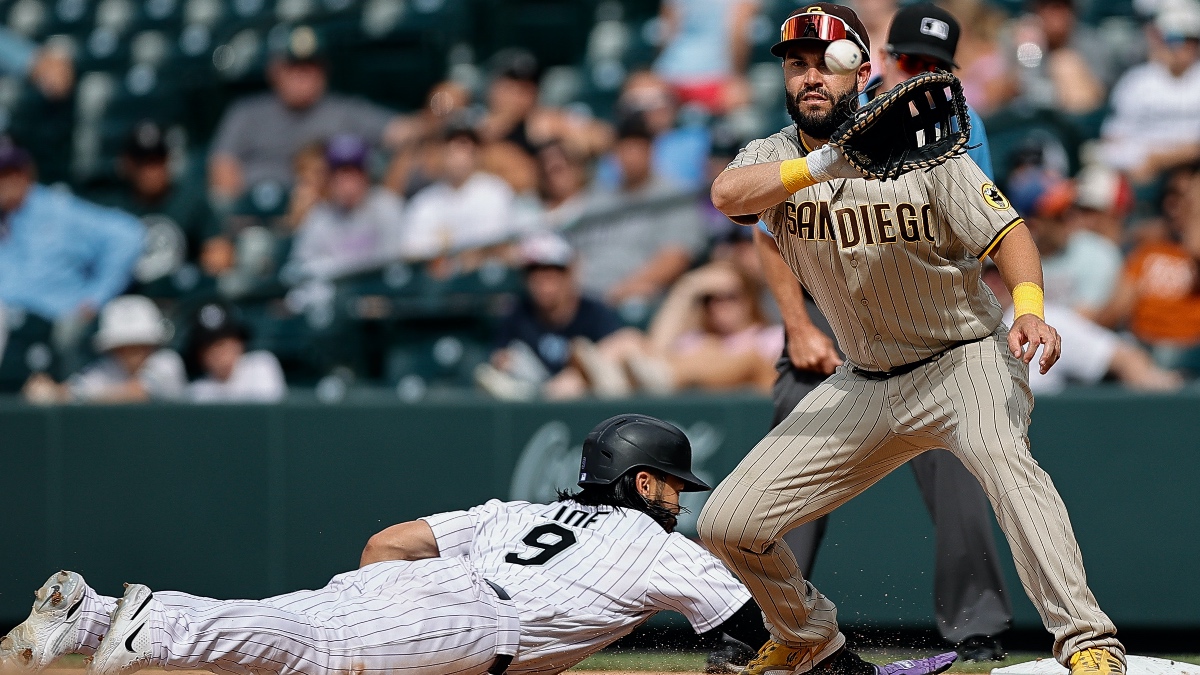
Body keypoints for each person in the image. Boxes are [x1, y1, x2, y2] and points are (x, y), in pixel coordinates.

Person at [699, 5, 1125, 675]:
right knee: (727, 522)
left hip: (964, 359)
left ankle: (1088, 641)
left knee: (1005, 462)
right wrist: (826, 166)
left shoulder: (917, 142)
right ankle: (809, 636)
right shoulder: (773, 157)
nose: (810, 77)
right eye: (796, 64)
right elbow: (728, 194)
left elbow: (1008, 232)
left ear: (862, 72)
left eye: (826, 64)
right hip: (864, 379)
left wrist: (1031, 308)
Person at [0, 413, 962, 675]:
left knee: (291, 631)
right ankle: (143, 620)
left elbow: (386, 542)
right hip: (471, 618)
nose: (680, 498)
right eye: (672, 482)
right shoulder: (652, 542)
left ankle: (85, 616)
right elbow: (754, 629)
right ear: (641, 482)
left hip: (434, 585)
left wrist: (392, 601)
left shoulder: (515, 507)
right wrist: (836, 669)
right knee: (303, 651)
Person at [759, 6, 1015, 660]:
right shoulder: (811, 124)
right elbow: (766, 232)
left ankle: (976, 626)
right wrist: (795, 326)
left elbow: (980, 230)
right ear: (875, 62)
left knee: (964, 445)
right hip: (831, 306)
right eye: (910, 60)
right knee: (791, 437)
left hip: (923, 307)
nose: (920, 73)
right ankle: (774, 627)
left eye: (934, 66)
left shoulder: (954, 121)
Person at [207, 25, 404, 203]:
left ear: (324, 71)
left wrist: (434, 107)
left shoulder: (345, 111)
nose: (302, 76)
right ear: (274, 70)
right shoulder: (246, 113)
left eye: (310, 67)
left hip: (326, 217)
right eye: (294, 67)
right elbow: (222, 167)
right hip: (256, 215)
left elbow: (402, 131)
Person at [0, 137, 144, 370]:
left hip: (52, 326)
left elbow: (129, 236)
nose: (5, 183)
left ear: (26, 173)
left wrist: (96, 297)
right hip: (9, 324)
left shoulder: (56, 210)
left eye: (10, 173)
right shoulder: (4, 217)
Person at [564, 114, 706, 309]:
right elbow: (574, 254)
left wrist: (622, 291)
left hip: (634, 296)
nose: (631, 156)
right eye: (625, 149)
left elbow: (676, 257)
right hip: (585, 296)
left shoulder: (673, 197)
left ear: (651, 151)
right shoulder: (597, 197)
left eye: (637, 148)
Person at [981, 265, 1182, 392]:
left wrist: (1158, 391)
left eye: (1000, 275)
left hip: (1041, 434)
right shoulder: (955, 326)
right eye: (985, 276)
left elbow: (1125, 357)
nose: (993, 284)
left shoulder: (1045, 320)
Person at [475, 233, 627, 401]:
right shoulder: (518, 314)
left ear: (569, 273)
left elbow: (622, 353)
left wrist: (575, 377)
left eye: (553, 270)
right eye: (534, 271)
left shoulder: (594, 312)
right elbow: (500, 358)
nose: (543, 279)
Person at [1093, 165, 1200, 371]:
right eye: (1171, 196)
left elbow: (1195, 246)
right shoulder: (1146, 251)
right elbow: (1114, 311)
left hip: (1191, 349)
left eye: (1186, 199)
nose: (1175, 205)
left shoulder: (1193, 251)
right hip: (1144, 349)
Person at [104, 121, 217, 295]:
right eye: (144, 162)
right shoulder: (111, 208)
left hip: (181, 296)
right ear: (128, 164)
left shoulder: (190, 200)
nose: (153, 170)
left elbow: (218, 252)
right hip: (128, 301)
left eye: (158, 160)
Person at [1100, 0, 1200, 181]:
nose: (1182, 47)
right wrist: (1138, 160)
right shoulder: (1137, 82)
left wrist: (1162, 159)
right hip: (1143, 172)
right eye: (1175, 38)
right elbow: (1112, 141)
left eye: (1190, 39)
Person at [286, 134, 406, 282]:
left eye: (354, 172)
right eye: (341, 173)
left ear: (366, 174)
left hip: (379, 294)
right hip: (336, 299)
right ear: (330, 178)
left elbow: (395, 265)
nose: (347, 183)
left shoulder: (387, 206)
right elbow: (299, 269)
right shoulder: (320, 215)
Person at [22, 295, 186, 403]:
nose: (131, 354)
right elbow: (76, 387)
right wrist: (51, 391)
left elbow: (138, 392)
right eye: (123, 347)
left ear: (152, 345)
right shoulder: (109, 369)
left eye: (139, 345)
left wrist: (69, 396)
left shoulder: (168, 362)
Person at [1007, 166, 1123, 316]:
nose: (1071, 218)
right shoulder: (1005, 259)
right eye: (1059, 215)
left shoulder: (1098, 253)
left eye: (1072, 208)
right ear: (1033, 224)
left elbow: (1083, 319)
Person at [401, 123, 519, 261]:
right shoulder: (423, 203)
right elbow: (413, 254)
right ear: (441, 152)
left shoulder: (496, 191)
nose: (460, 156)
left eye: (466, 148)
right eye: (453, 148)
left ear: (477, 154)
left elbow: (498, 245)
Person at [652, 0, 758, 113]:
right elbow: (738, 34)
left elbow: (667, 32)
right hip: (716, 79)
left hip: (669, 75)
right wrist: (738, 77)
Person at [186, 302, 285, 403]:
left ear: (239, 344)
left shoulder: (260, 367)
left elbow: (266, 415)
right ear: (200, 355)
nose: (218, 353)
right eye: (208, 348)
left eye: (222, 344)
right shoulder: (197, 392)